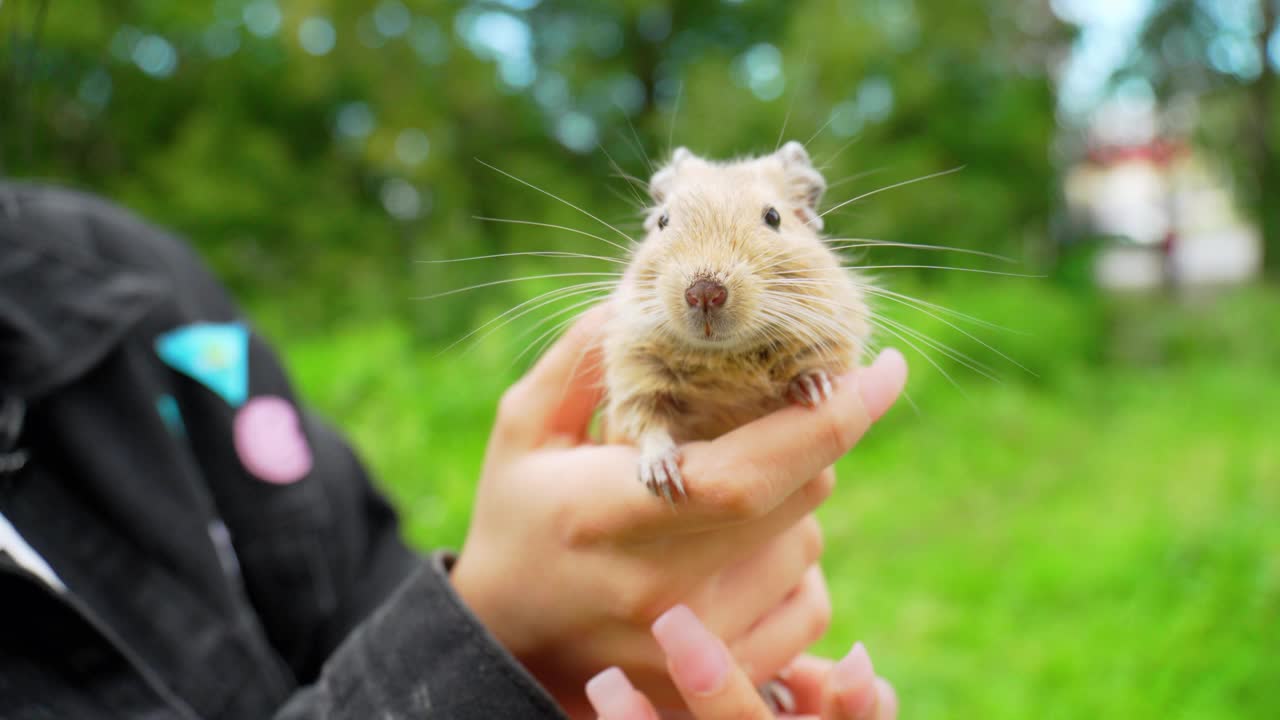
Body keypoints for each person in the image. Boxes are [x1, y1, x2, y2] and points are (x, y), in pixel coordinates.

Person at [0, 182, 907, 718]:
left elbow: (359, 583)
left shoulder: (121, 276)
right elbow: (641, 406)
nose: (705, 282)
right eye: (667, 231)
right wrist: (490, 646)